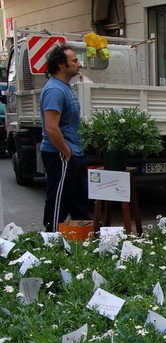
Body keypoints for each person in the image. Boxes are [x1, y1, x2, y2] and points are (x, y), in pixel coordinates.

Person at [40, 45, 91, 232]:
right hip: (60, 154)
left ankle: (83, 242)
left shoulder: (66, 87)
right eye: (74, 61)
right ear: (61, 64)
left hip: (74, 153)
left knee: (80, 201)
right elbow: (51, 128)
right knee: (59, 201)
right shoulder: (55, 90)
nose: (79, 64)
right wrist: (67, 153)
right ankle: (50, 239)